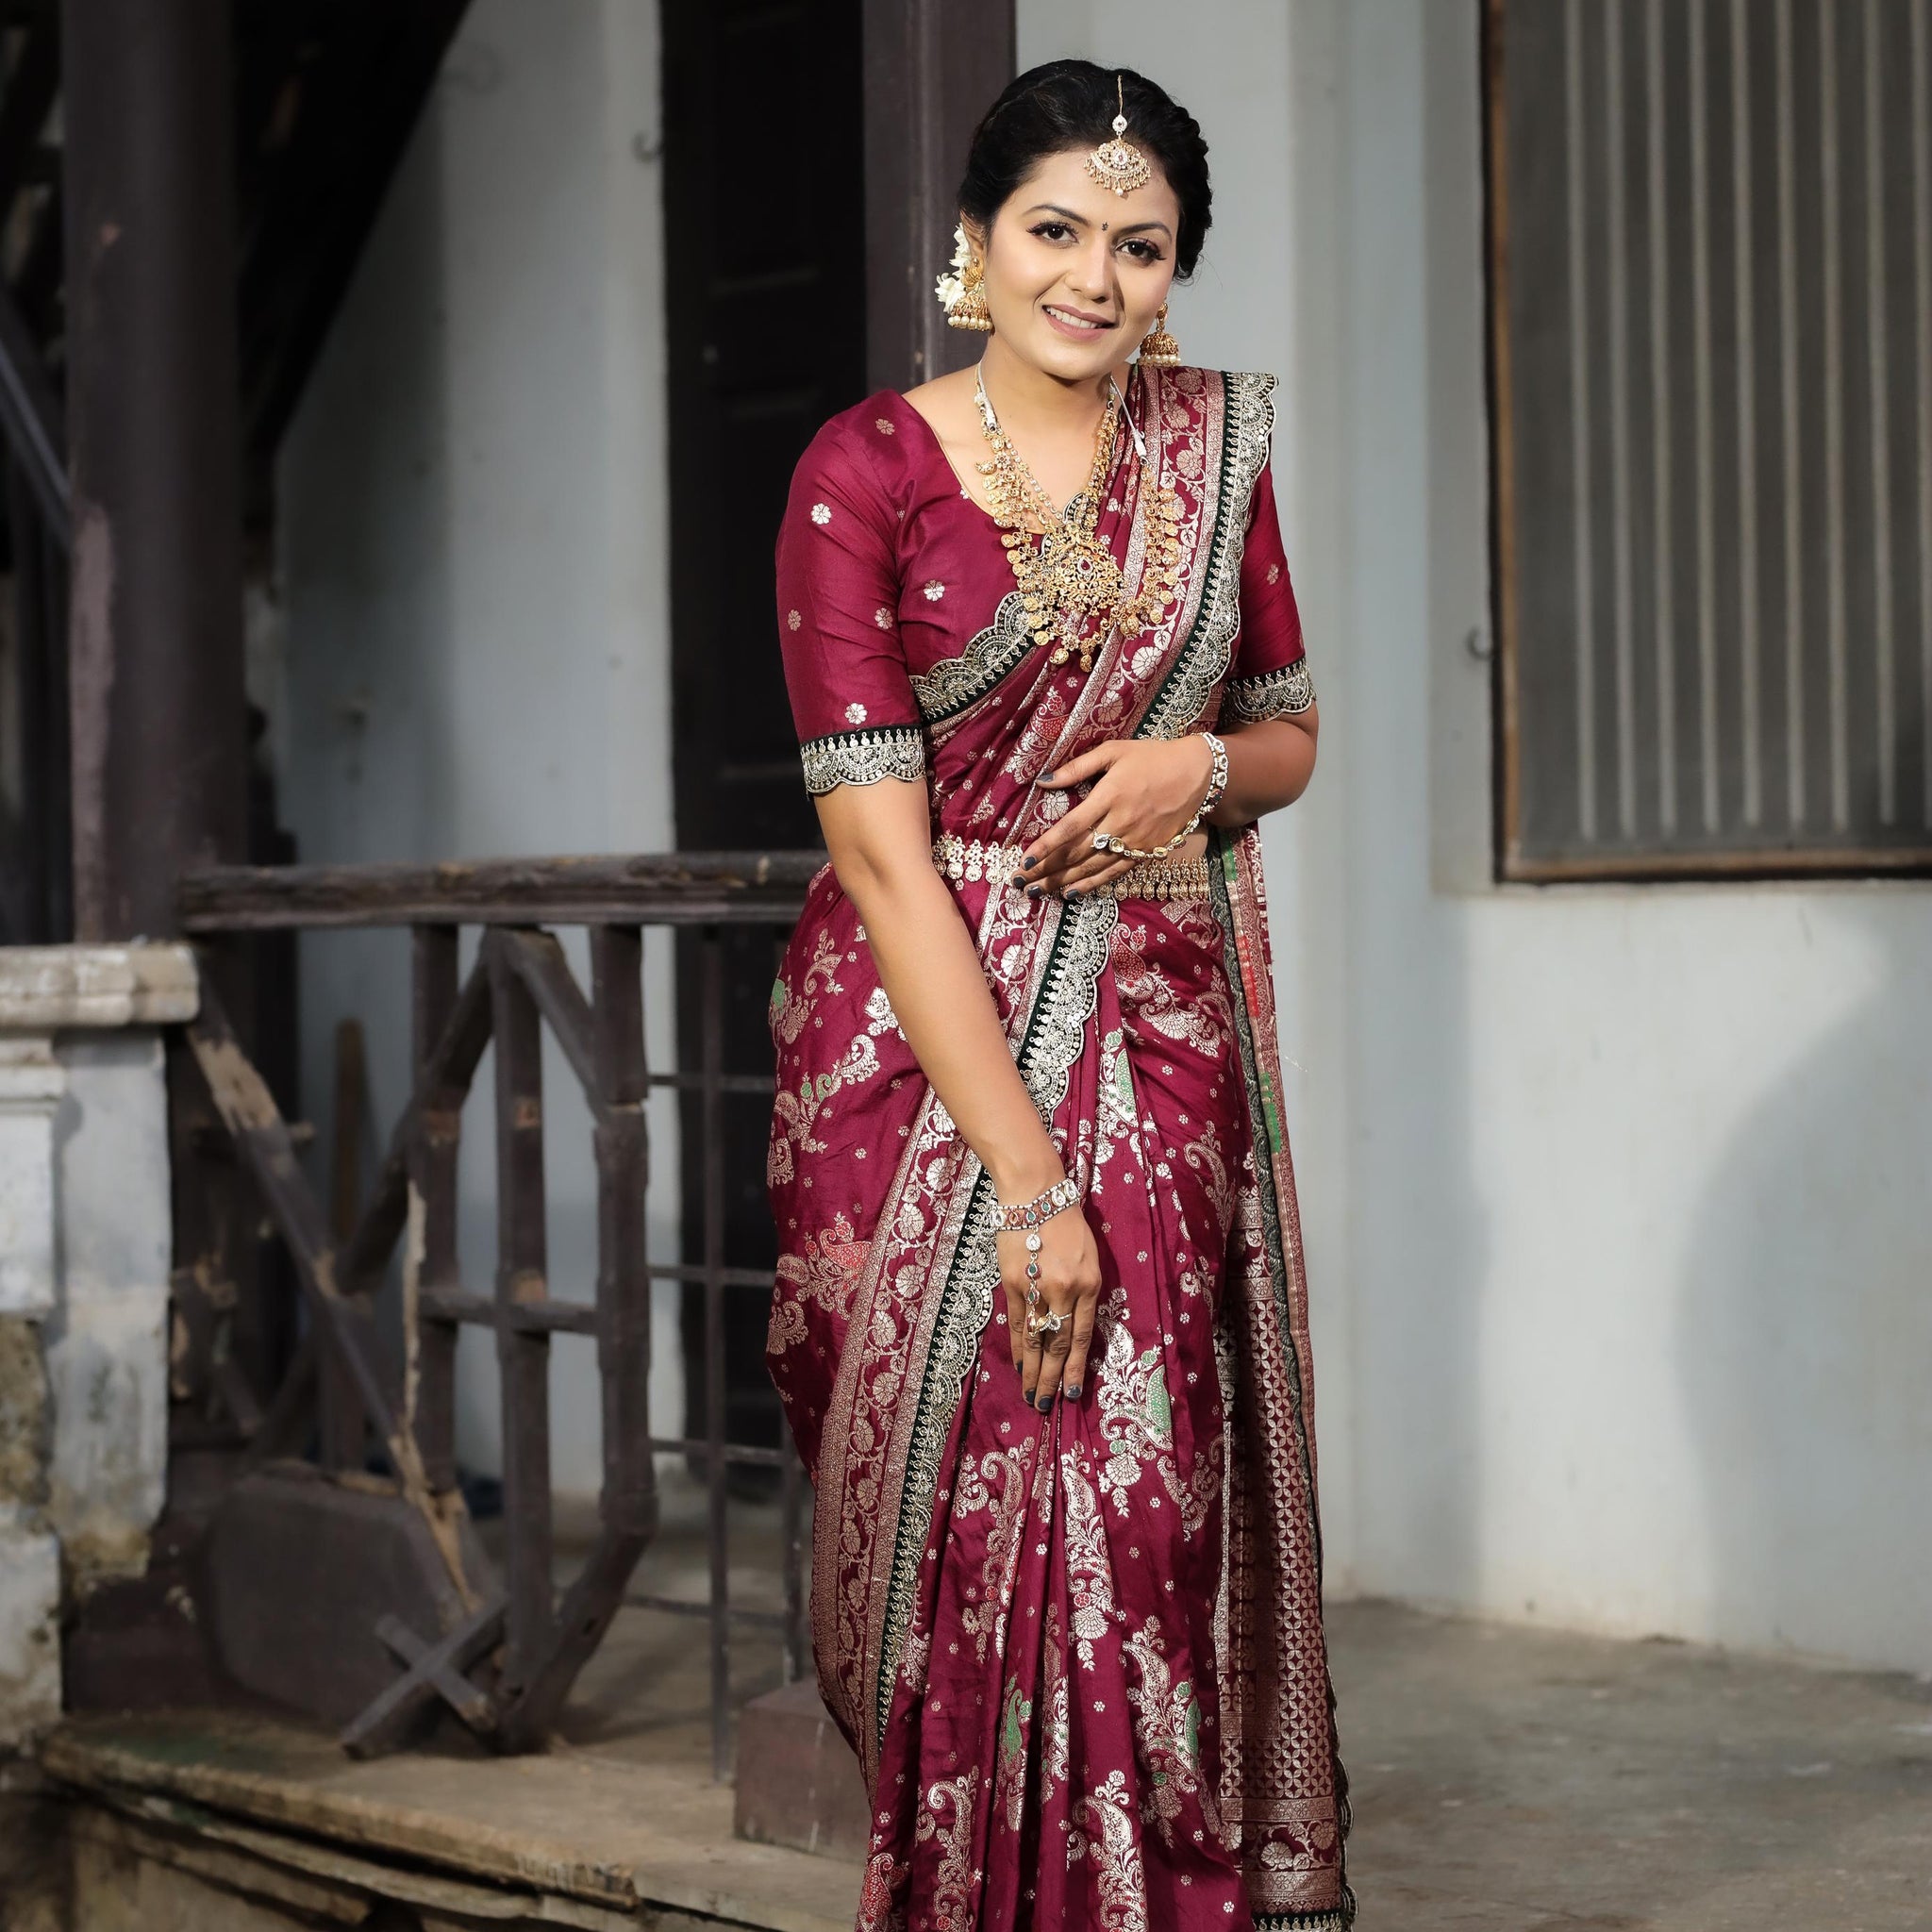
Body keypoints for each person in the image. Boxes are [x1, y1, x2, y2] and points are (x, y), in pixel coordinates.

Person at [764, 58, 1351, 1932]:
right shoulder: (862, 470)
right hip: (922, 1065)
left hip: (1161, 1045)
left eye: (1140, 244)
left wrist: (1199, 775)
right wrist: (1028, 1190)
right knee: (972, 1530)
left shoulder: (1216, 448)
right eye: (1055, 231)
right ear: (972, 244)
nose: (1093, 277)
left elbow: (1285, 738)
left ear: (1177, 272)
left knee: (1149, 1509)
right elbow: (877, 851)